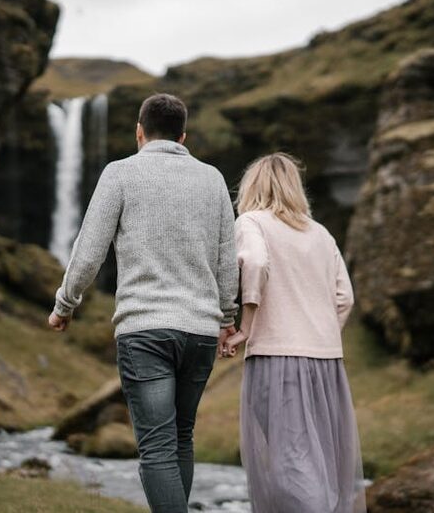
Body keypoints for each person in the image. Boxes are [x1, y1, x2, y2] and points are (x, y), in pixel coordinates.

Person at [48, 93, 239, 513]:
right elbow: (228, 259)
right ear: (183, 136)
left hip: (145, 331)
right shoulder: (212, 179)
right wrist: (227, 318)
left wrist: (65, 304)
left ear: (139, 131)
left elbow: (88, 249)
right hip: (201, 332)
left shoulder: (120, 173)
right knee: (181, 437)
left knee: (156, 446)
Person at [223, 152, 366, 513]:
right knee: (319, 461)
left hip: (277, 358)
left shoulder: (251, 222)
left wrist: (246, 327)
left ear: (252, 185)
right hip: (327, 364)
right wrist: (319, 335)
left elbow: (255, 262)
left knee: (290, 460)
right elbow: (344, 298)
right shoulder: (321, 233)